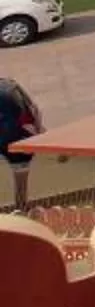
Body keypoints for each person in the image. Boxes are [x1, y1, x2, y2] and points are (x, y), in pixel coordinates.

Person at [0, 71, 38, 208]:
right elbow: (34, 110)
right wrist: (38, 132)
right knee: (21, 184)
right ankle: (21, 212)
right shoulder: (11, 85)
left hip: (12, 142)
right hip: (22, 142)